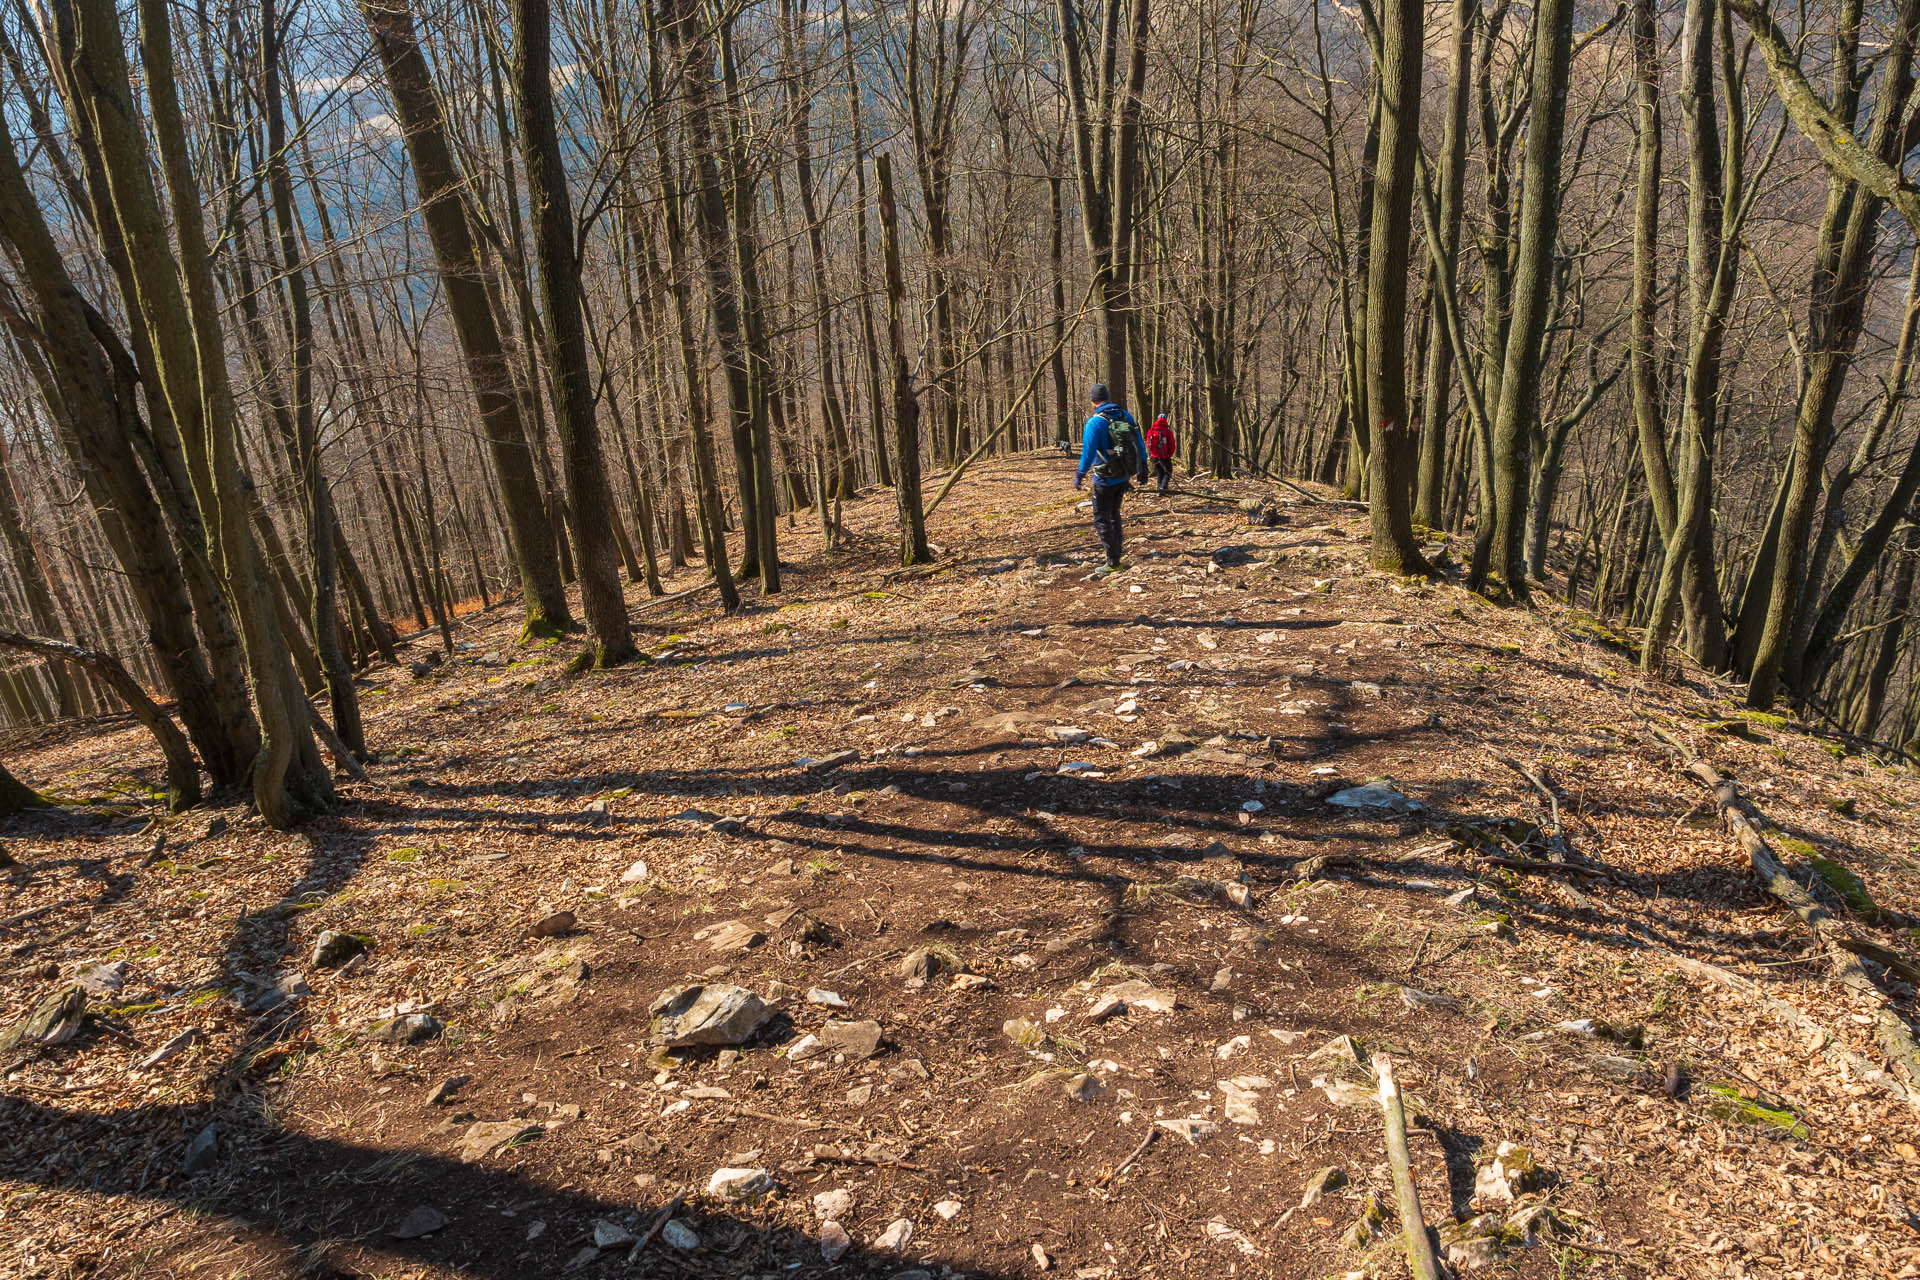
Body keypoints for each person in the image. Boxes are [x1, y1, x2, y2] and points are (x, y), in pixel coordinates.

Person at [1073, 382, 1147, 576]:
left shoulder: (1095, 422)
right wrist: (1143, 466)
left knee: (1102, 518)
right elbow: (1139, 442)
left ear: (1093, 401)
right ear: (1107, 397)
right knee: (1115, 514)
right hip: (1123, 475)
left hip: (1104, 478)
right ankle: (1116, 555)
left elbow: (1087, 453)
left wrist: (1080, 474)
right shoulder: (1124, 415)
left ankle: (1113, 561)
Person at [1146, 413, 1177, 494]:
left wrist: (1152, 454)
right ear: (1165, 420)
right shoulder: (1167, 431)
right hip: (1164, 456)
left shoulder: (1151, 430)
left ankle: (1159, 489)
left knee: (1160, 472)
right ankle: (1163, 487)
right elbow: (1173, 444)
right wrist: (1169, 454)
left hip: (1154, 456)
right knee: (1168, 471)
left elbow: (1147, 443)